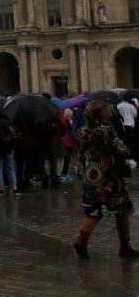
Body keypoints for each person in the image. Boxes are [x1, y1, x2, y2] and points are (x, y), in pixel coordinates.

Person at [73, 100, 138, 259]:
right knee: (122, 208)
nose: (110, 111)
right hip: (109, 176)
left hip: (92, 175)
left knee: (94, 210)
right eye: (108, 109)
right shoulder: (106, 130)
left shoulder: (83, 131)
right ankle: (124, 246)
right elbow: (122, 150)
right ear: (101, 112)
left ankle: (82, 240)